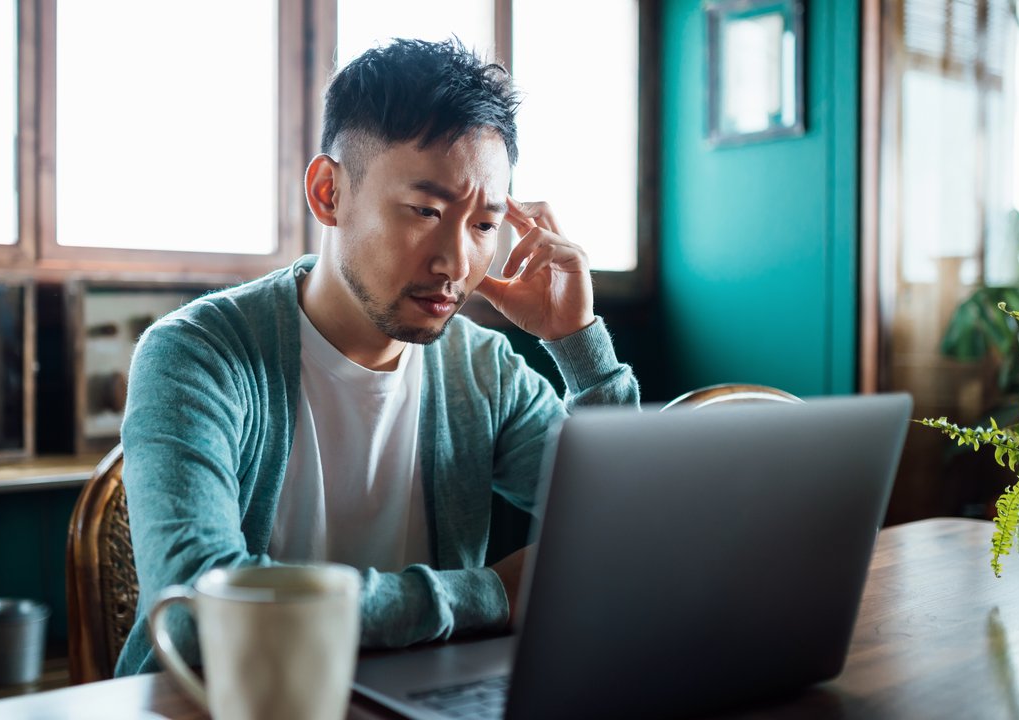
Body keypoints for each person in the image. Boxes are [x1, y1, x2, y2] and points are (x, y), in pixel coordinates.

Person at [114, 37, 639, 676]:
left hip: (423, 700)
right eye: (425, 210)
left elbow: (629, 536)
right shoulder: (197, 355)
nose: (455, 263)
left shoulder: (484, 370)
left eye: (483, 225)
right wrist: (493, 593)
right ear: (329, 192)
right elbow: (199, 615)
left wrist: (577, 343)